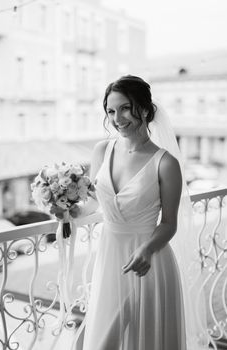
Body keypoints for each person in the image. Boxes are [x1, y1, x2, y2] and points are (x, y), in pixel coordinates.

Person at [73, 75, 209, 350]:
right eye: (111, 111)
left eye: (125, 108)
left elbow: (169, 223)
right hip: (110, 260)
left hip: (148, 262)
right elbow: (95, 203)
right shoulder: (102, 150)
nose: (117, 118)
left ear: (145, 110)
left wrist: (147, 249)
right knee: (104, 340)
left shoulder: (165, 163)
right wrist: (66, 209)